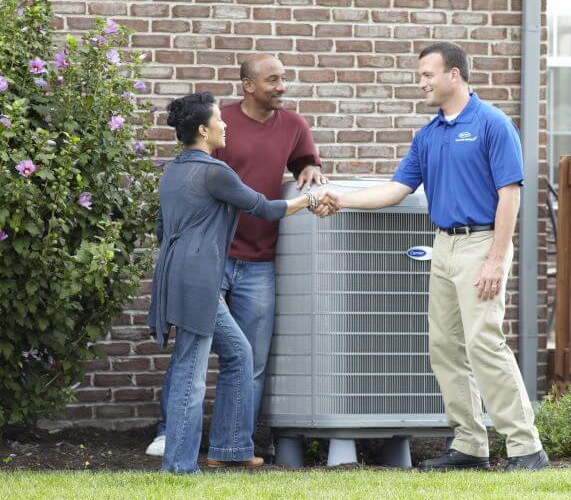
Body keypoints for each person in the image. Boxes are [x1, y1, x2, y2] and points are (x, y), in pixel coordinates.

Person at [317, 43, 548, 472]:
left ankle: (525, 447)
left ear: (454, 75)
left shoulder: (493, 124)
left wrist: (496, 260)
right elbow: (396, 189)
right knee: (444, 348)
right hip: (443, 246)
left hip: (482, 244)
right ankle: (470, 445)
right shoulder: (428, 135)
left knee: (485, 343)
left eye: (427, 74)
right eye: (420, 75)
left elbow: (510, 196)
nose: (420, 82)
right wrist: (342, 198)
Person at [146, 54, 327, 458]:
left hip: (245, 262)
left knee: (241, 356)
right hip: (209, 265)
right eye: (272, 79)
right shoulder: (215, 151)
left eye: (284, 79)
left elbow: (165, 224)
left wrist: (312, 167)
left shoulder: (176, 167)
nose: (281, 86)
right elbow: (260, 204)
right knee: (193, 362)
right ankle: (175, 450)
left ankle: (229, 446)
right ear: (247, 84)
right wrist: (311, 201)